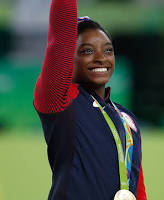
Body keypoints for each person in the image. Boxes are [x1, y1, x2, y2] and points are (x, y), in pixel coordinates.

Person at [34, 0, 147, 200]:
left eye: (108, 50)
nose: (100, 58)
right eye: (87, 51)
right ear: (69, 59)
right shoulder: (61, 101)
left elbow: (138, 189)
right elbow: (60, 36)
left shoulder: (127, 119)